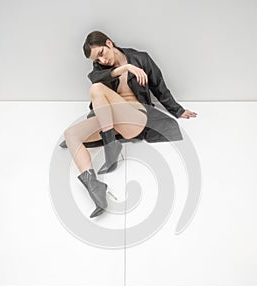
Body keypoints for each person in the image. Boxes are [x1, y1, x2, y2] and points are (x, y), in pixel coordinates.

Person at [63, 30, 197, 218]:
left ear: (109, 43)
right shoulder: (100, 70)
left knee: (96, 89)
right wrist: (126, 69)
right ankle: (95, 188)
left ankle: (111, 147)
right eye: (97, 60)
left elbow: (159, 86)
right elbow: (96, 79)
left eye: (101, 53)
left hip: (137, 118)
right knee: (70, 134)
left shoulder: (141, 58)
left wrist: (177, 110)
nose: (101, 61)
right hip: (112, 122)